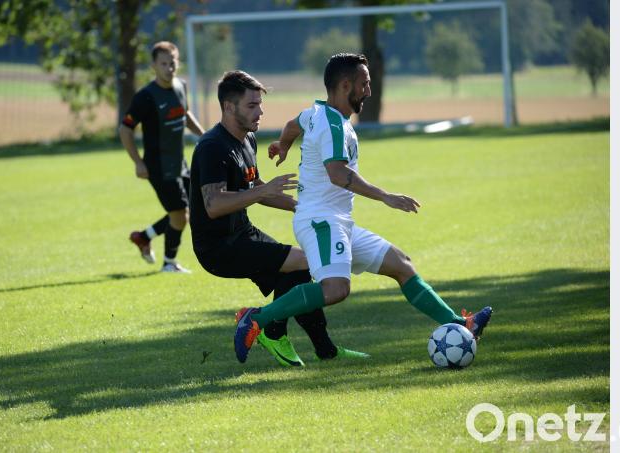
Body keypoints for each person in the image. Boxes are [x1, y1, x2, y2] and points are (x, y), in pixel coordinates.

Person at [233, 53, 492, 363]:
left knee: (401, 264)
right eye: (364, 84)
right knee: (335, 290)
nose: (369, 90)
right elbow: (338, 174)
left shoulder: (317, 112)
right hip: (321, 222)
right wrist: (385, 196)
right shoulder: (333, 126)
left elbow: (292, 124)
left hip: (337, 220)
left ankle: (460, 323)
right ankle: (256, 319)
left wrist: (284, 145)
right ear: (345, 85)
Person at [189, 70, 367, 367]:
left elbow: (256, 188)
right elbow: (214, 205)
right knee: (304, 261)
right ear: (229, 107)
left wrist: (302, 206)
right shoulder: (212, 147)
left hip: (243, 233)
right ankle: (271, 330)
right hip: (217, 247)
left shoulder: (247, 140)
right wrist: (263, 192)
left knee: (298, 270)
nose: (260, 112)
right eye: (252, 106)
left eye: (260, 104)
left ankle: (323, 350)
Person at [119, 41, 205, 273]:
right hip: (158, 167)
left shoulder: (180, 86)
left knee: (190, 210)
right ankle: (169, 263)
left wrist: (204, 136)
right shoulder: (145, 97)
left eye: (173, 63)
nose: (169, 68)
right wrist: (138, 162)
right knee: (180, 216)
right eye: (164, 63)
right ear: (154, 66)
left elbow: (185, 113)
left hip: (180, 163)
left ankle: (143, 237)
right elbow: (125, 129)